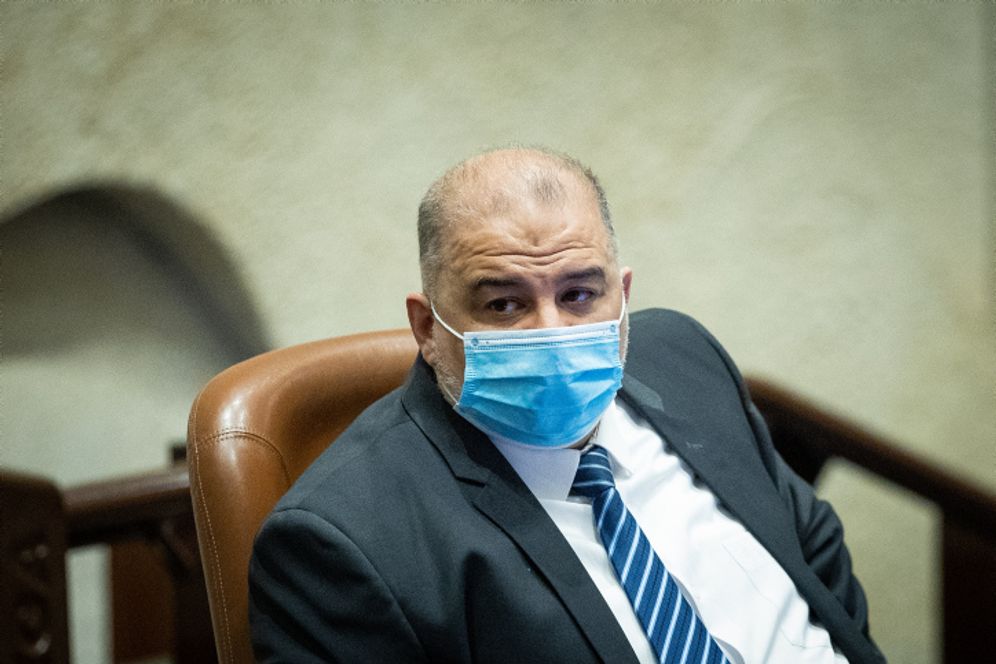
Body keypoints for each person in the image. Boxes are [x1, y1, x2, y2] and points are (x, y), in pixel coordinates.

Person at [249, 147, 885, 663]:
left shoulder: (686, 359)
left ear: (624, 295)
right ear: (426, 326)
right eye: (504, 303)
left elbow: (812, 552)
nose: (552, 331)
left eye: (580, 294)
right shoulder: (341, 541)